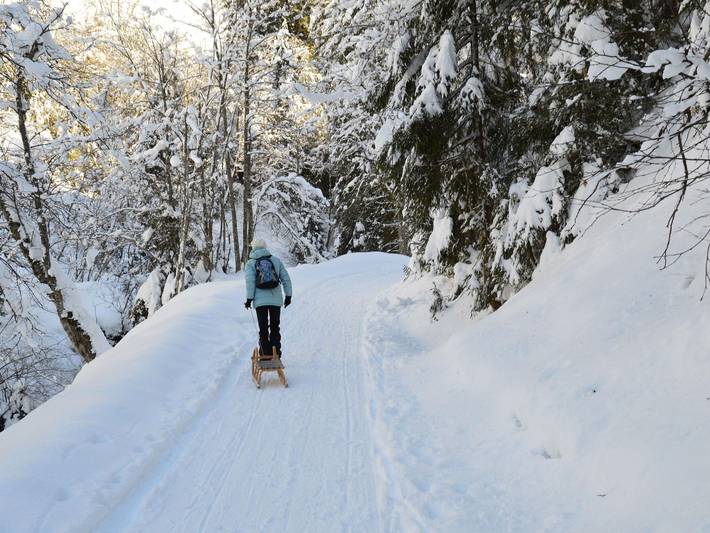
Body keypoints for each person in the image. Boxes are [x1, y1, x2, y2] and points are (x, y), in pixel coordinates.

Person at [244, 238, 292, 358]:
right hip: (275, 300)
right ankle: (277, 354)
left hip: (260, 302)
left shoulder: (250, 263)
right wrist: (288, 295)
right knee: (275, 327)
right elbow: (286, 279)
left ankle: (265, 354)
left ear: (253, 248)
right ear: (265, 247)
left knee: (263, 328)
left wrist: (249, 299)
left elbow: (250, 282)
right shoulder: (275, 260)